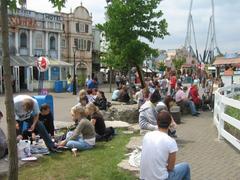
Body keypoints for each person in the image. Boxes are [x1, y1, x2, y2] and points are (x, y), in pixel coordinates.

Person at [140, 110, 191, 180]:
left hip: (144, 178)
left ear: (157, 122)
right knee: (186, 167)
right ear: (170, 123)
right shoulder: (170, 141)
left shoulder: (147, 135)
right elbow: (170, 168)